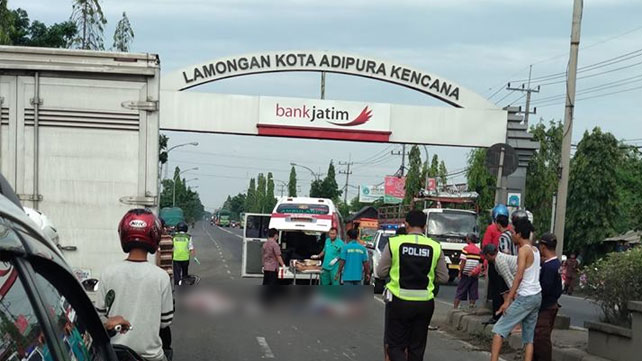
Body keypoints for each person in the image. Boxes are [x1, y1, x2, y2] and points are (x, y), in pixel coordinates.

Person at [96, 209, 174, 361]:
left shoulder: (108, 272)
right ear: (155, 235)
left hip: (114, 354)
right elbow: (165, 321)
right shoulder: (161, 277)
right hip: (151, 357)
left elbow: (100, 316)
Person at [376, 210, 448, 361]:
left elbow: (381, 272)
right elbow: (443, 277)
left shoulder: (394, 243)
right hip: (425, 304)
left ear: (406, 225)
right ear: (425, 226)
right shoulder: (435, 246)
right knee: (417, 348)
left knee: (395, 346)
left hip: (399, 301)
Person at [490, 218, 542, 361]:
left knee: (498, 330)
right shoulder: (535, 250)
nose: (511, 235)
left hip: (525, 297)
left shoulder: (523, 251)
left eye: (513, 232)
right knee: (528, 337)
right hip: (537, 296)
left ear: (519, 234)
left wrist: (508, 300)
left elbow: (518, 276)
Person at [534, 233, 563, 361]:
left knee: (541, 340)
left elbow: (544, 288)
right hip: (553, 304)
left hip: (545, 307)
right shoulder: (557, 264)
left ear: (543, 247)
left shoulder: (548, 267)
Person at [482, 204, 511, 324]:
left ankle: (496, 315)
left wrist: (484, 262)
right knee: (506, 289)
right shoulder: (511, 230)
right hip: (509, 263)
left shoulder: (491, 228)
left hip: (495, 262)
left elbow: (485, 245)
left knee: (496, 290)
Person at [454, 233, 481, 309]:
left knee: (460, 291)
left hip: (465, 273)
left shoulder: (466, 248)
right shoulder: (479, 250)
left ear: (469, 239)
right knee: (473, 291)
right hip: (474, 274)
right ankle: (471, 307)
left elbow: (463, 261)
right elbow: (480, 262)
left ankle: (455, 307)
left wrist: (460, 272)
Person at [172, 221, 195, 286]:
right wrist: (194, 256)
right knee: (185, 273)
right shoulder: (188, 237)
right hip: (185, 258)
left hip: (176, 258)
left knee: (177, 273)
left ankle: (177, 285)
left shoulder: (173, 236)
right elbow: (191, 247)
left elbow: (171, 246)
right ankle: (184, 285)